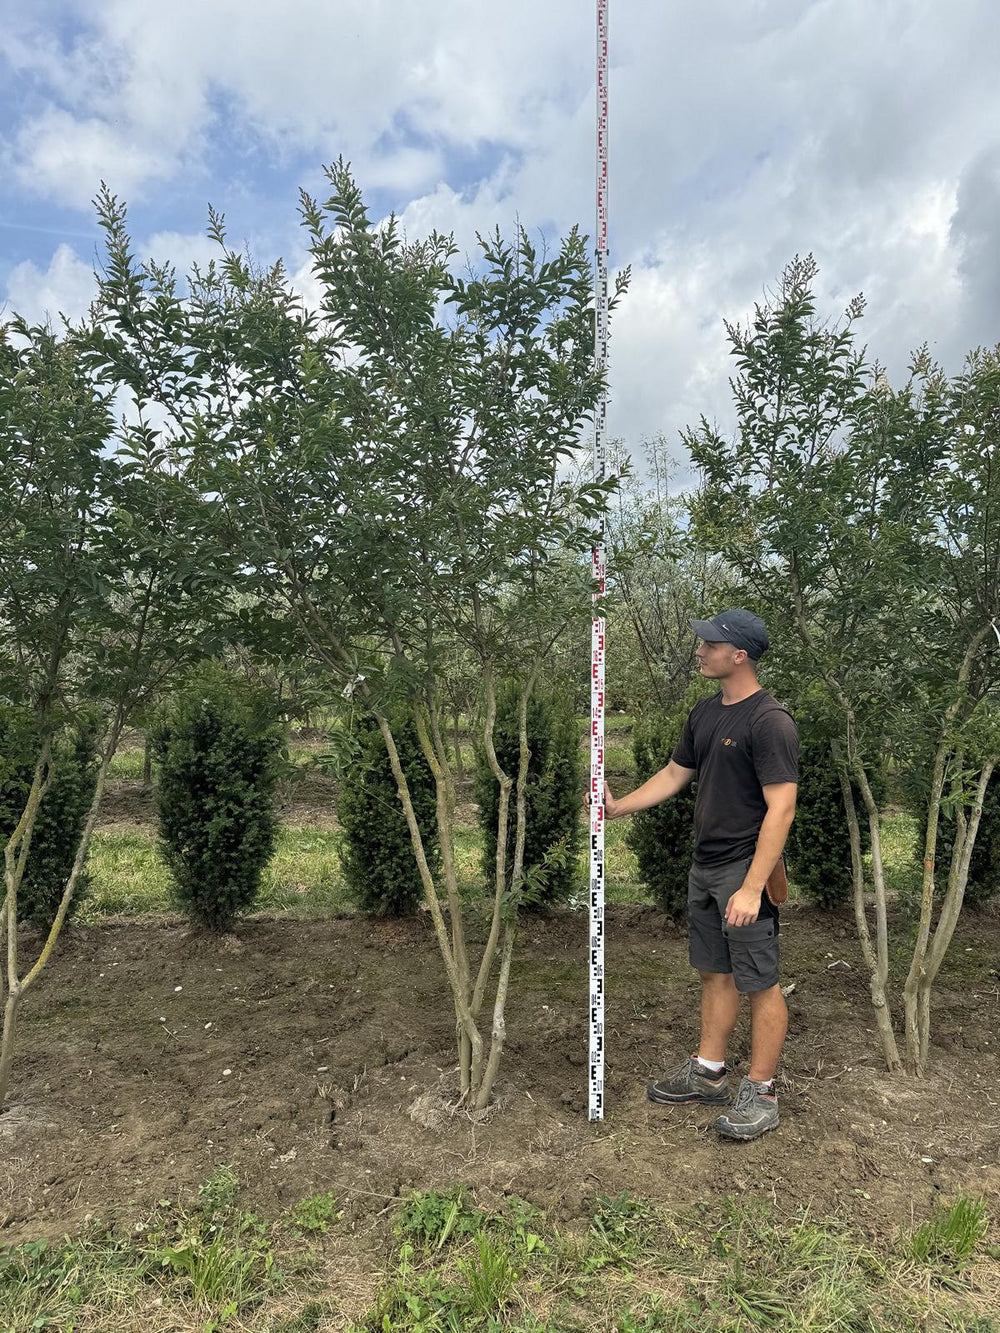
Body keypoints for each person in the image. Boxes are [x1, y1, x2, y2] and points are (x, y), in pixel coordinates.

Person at [604, 609, 798, 1140]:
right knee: (715, 972)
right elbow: (674, 773)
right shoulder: (706, 713)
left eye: (709, 643)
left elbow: (781, 809)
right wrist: (618, 808)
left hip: (744, 869)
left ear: (739, 655)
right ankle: (709, 1071)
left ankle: (761, 1093)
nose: (700, 649)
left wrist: (754, 887)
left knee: (760, 981)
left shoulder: (770, 721)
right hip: (705, 866)